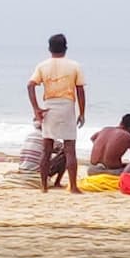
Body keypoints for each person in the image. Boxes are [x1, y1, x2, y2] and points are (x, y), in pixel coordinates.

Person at [26, 33, 86, 193]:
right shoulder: (74, 66)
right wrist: (82, 112)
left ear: (49, 48)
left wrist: (36, 108)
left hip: (49, 107)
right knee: (70, 149)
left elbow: (30, 85)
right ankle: (73, 186)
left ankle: (44, 187)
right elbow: (80, 90)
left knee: (46, 149)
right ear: (65, 48)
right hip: (67, 106)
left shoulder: (42, 66)